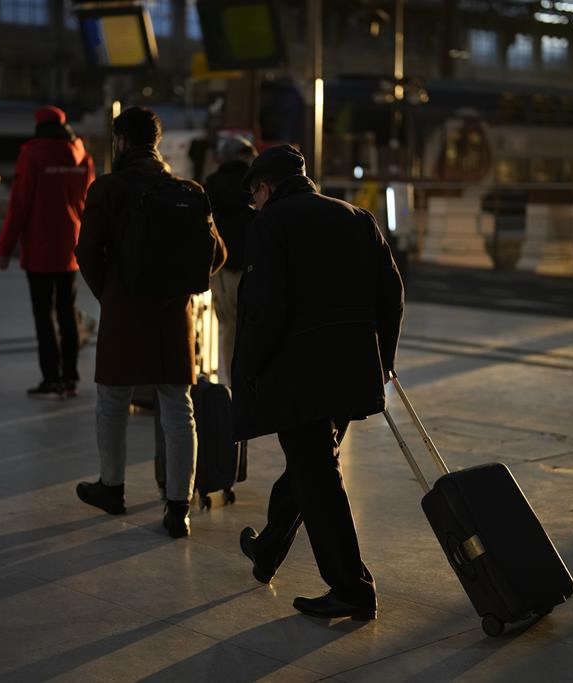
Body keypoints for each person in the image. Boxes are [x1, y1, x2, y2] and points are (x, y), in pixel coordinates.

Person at [232, 145, 404, 621]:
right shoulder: (356, 217)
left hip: (298, 375)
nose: (255, 206)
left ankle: (352, 587)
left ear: (264, 188)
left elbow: (265, 309)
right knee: (312, 466)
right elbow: (392, 295)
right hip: (350, 370)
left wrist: (249, 368)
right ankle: (268, 549)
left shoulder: (272, 224)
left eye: (254, 197)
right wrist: (382, 358)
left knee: (318, 477)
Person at [74, 106, 226, 538]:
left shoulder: (108, 189)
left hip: (124, 310)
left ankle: (112, 487)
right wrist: (179, 286)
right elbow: (218, 256)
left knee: (113, 401)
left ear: (121, 141)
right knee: (179, 409)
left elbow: (85, 252)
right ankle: (178, 509)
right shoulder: (186, 190)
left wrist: (111, 293)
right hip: (172, 317)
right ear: (156, 143)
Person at [0, 106, 95, 399]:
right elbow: (88, 203)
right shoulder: (81, 155)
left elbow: (19, 205)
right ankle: (70, 378)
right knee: (66, 312)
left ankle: (51, 378)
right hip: (70, 247)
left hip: (40, 247)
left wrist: (5, 248)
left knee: (44, 314)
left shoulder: (32, 155)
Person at [204, 136, 257, 385]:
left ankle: (232, 382)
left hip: (223, 267)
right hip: (253, 265)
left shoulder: (212, 185)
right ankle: (252, 378)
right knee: (253, 325)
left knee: (228, 325)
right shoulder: (256, 185)